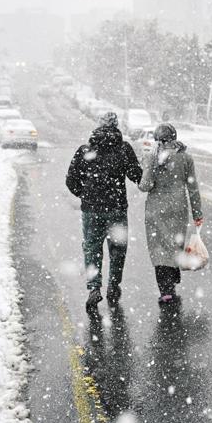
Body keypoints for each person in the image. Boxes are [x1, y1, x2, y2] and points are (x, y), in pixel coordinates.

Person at [66, 112, 142, 310]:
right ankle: (113, 286)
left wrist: (85, 194)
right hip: (116, 208)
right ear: (117, 127)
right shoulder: (124, 149)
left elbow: (71, 180)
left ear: (98, 126)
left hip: (92, 209)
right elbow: (136, 175)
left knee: (92, 249)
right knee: (118, 250)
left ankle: (94, 288)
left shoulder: (86, 150)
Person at [138, 123, 203, 304]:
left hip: (156, 209)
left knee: (159, 248)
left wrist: (144, 171)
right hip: (178, 207)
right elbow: (193, 187)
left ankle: (165, 290)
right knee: (174, 244)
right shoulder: (185, 158)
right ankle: (172, 282)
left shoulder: (152, 157)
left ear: (157, 138)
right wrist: (197, 212)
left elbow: (145, 186)